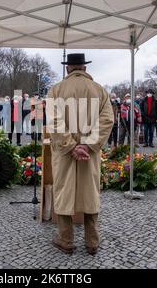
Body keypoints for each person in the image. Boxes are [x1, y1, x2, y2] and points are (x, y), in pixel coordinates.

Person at [47, 53, 114, 256]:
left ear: (68, 68)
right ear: (84, 67)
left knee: (63, 192)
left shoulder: (56, 90)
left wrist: (71, 146)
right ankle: (92, 241)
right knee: (90, 192)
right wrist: (87, 145)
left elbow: (54, 122)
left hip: (65, 153)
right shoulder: (100, 90)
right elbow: (107, 120)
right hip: (89, 153)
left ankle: (65, 240)